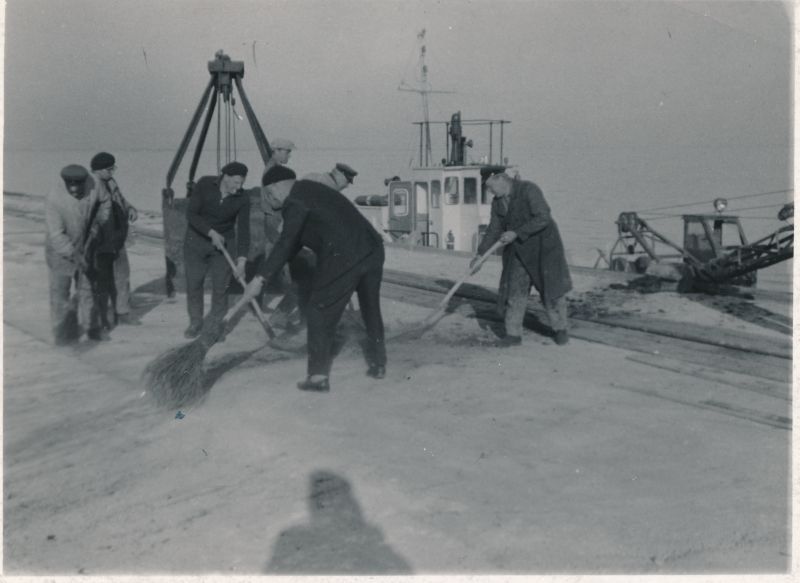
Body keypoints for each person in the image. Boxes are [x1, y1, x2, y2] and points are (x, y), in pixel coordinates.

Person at [243, 171, 386, 393]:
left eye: (270, 197)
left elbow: (286, 242)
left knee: (319, 309)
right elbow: (295, 243)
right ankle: (379, 364)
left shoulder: (295, 201)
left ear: (274, 188)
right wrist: (269, 273)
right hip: (373, 249)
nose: (273, 203)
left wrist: (260, 279)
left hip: (345, 255)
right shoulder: (311, 190)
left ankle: (318, 376)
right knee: (370, 308)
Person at [472, 172, 573, 346]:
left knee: (551, 290)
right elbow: (493, 230)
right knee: (515, 289)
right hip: (517, 249)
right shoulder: (498, 203)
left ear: (501, 180)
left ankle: (560, 329)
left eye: (490, 187)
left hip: (543, 247)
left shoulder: (528, 190)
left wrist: (517, 232)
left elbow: (543, 217)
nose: (489, 191)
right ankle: (513, 334)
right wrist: (480, 255)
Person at [183, 161, 251, 338]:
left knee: (221, 287)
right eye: (236, 182)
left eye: (242, 182)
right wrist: (210, 232)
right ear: (225, 177)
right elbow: (191, 214)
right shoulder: (205, 184)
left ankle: (215, 327)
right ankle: (196, 322)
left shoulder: (243, 198)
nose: (239, 187)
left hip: (223, 244)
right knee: (194, 283)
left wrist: (242, 260)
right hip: (196, 241)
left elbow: (244, 230)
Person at [45, 164, 96, 344]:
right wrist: (74, 255)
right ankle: (61, 333)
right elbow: (57, 236)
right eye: (71, 190)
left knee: (87, 290)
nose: (76, 192)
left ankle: (91, 328)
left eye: (79, 189)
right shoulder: (54, 199)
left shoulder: (92, 187)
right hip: (60, 253)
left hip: (84, 246)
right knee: (60, 293)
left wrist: (97, 228)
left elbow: (101, 207)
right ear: (66, 184)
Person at [89, 152, 138, 326]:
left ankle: (123, 312)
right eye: (110, 169)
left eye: (113, 168)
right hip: (101, 242)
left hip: (117, 238)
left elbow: (120, 200)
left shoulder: (110, 182)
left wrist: (130, 208)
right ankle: (98, 318)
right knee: (100, 280)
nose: (113, 171)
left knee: (122, 275)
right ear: (99, 170)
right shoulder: (91, 187)